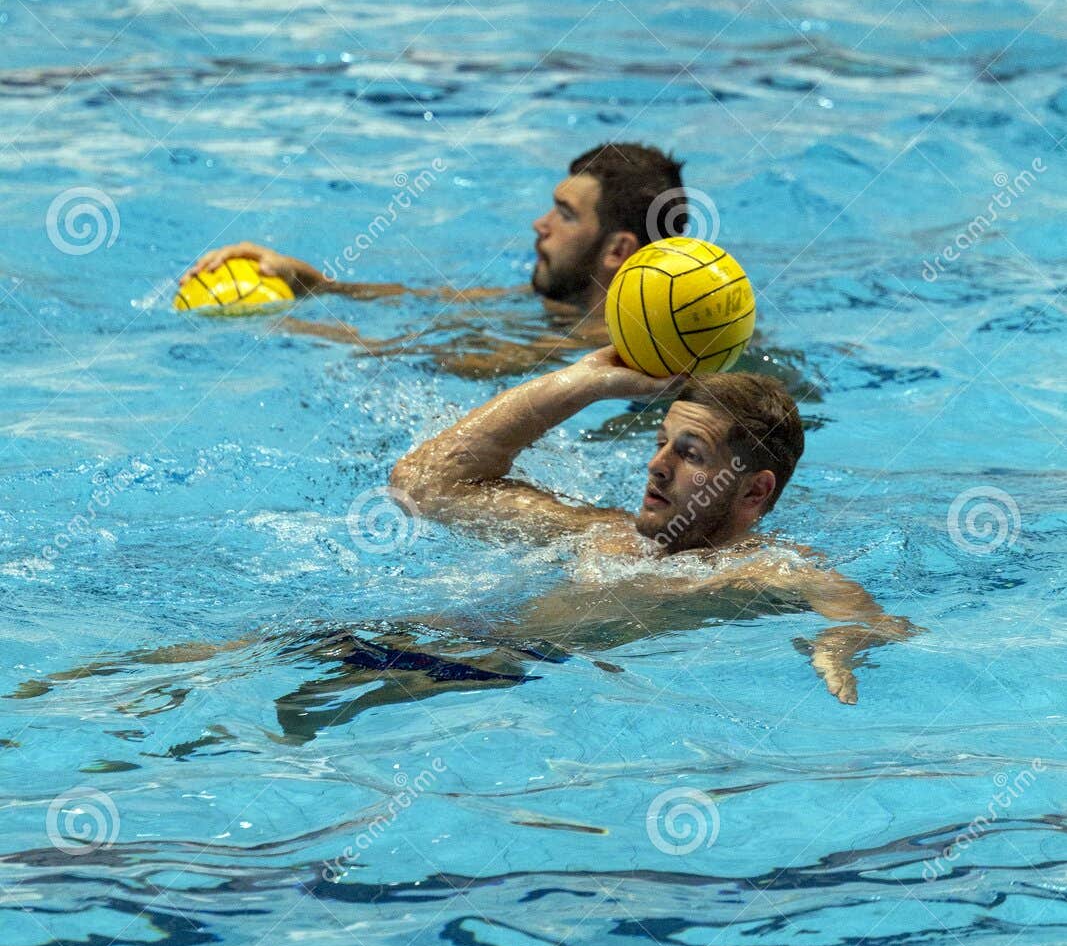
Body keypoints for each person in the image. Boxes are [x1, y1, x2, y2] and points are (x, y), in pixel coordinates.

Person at [390, 347, 919, 703]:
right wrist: (585, 381)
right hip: (431, 644)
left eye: (689, 454)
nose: (657, 464)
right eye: (660, 442)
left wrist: (842, 643)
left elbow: (877, 620)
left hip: (496, 681)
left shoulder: (771, 569)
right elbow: (422, 484)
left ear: (754, 491)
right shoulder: (600, 531)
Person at [180, 143, 687, 378]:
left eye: (565, 214)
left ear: (618, 251)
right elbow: (434, 301)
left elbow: (457, 360)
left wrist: (297, 331)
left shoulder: (613, 345)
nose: (540, 224)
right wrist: (318, 284)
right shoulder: (567, 308)